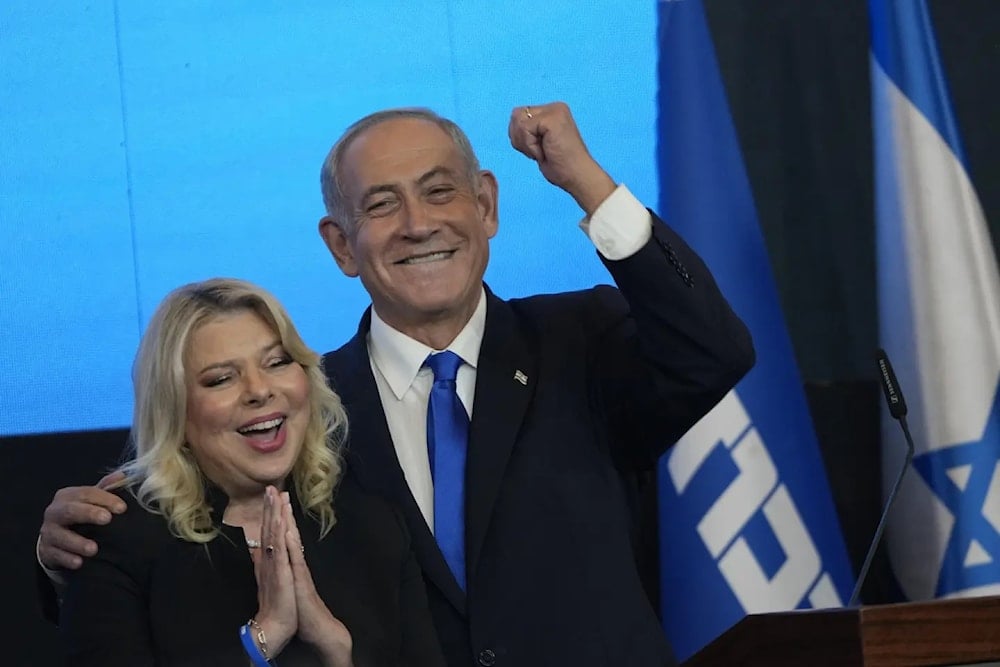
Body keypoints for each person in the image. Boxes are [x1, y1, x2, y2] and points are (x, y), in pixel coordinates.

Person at [40, 102, 754, 666]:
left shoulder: (582, 341)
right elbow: (183, 562)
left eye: (440, 193)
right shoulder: (297, 410)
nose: (418, 225)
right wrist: (70, 557)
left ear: (487, 207)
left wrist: (586, 180)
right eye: (381, 205)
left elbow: (712, 350)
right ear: (341, 244)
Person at [56, 278, 445, 666]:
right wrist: (262, 638)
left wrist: (337, 652)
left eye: (276, 362)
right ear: (174, 408)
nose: (259, 390)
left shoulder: (373, 525)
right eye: (221, 378)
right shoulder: (121, 541)